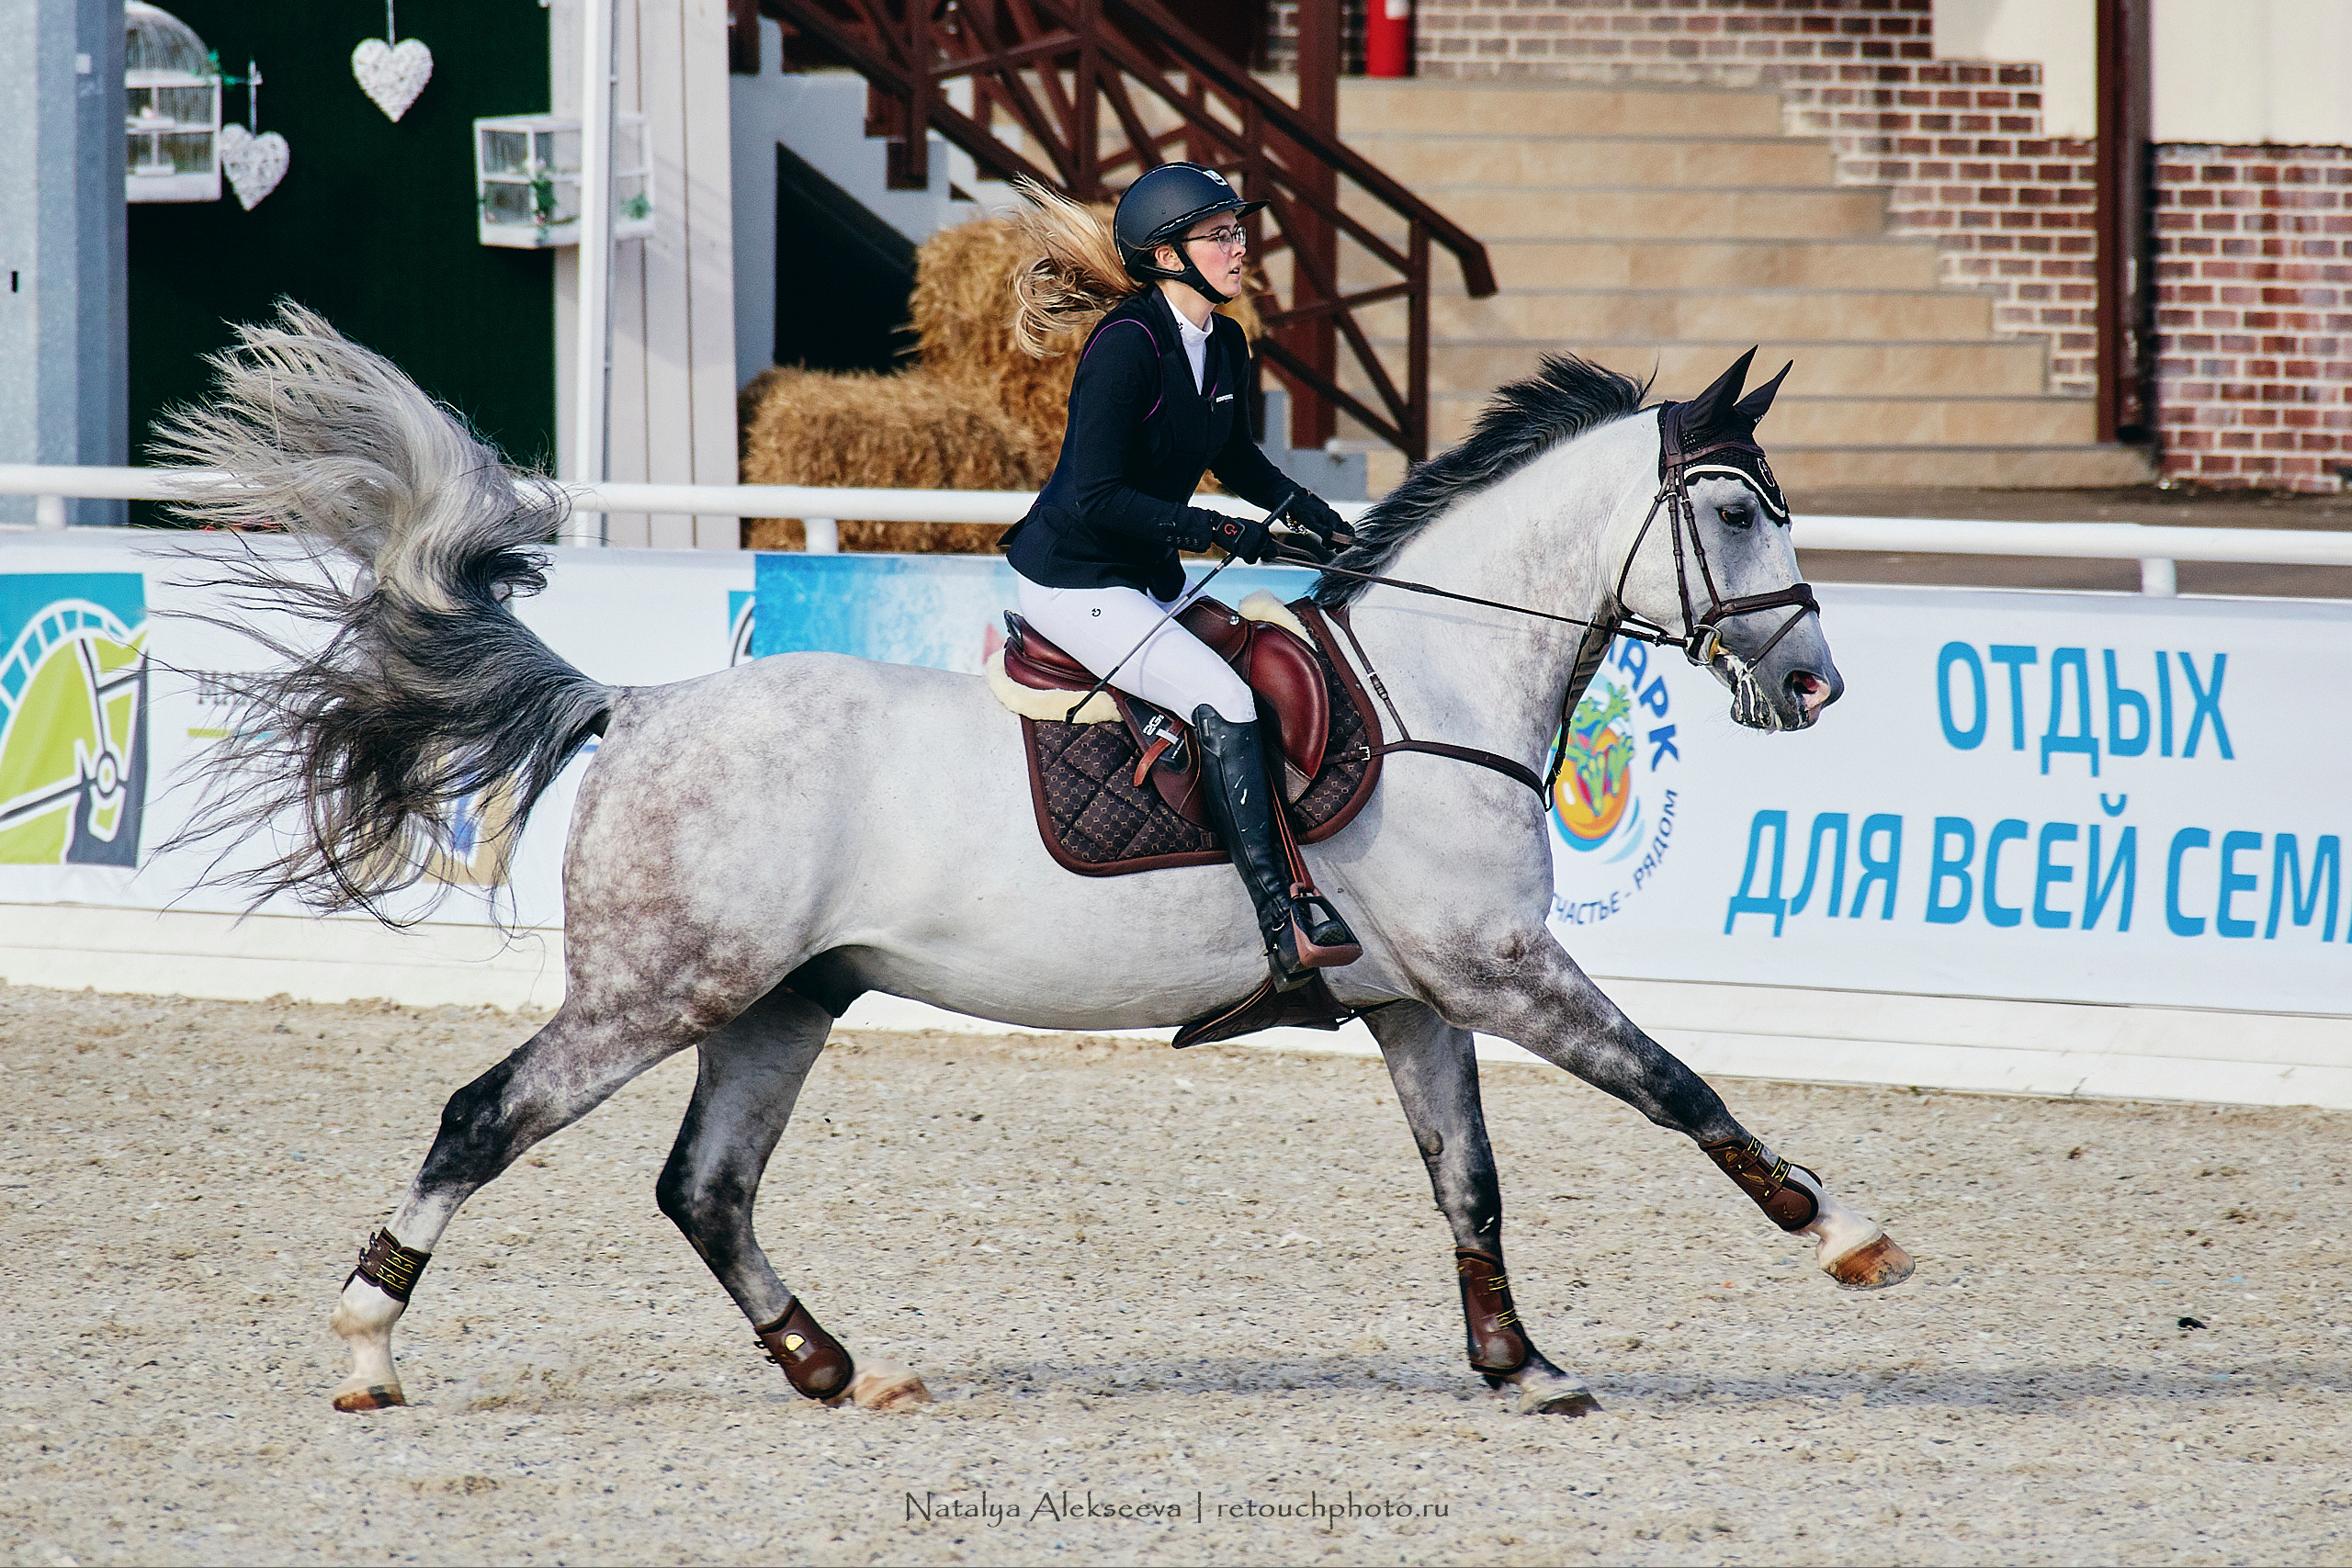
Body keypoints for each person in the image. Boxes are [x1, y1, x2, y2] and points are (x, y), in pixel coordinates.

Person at [1001, 163, 1358, 990]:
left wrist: (1311, 512)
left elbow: (1234, 456)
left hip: (1144, 574)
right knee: (1226, 699)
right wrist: (1217, 529)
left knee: (1258, 654)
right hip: (1076, 580)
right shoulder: (1126, 347)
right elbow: (1095, 497)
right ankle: (1280, 920)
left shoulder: (1225, 342)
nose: (1241, 251)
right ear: (1167, 257)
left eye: (1239, 232)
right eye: (1221, 236)